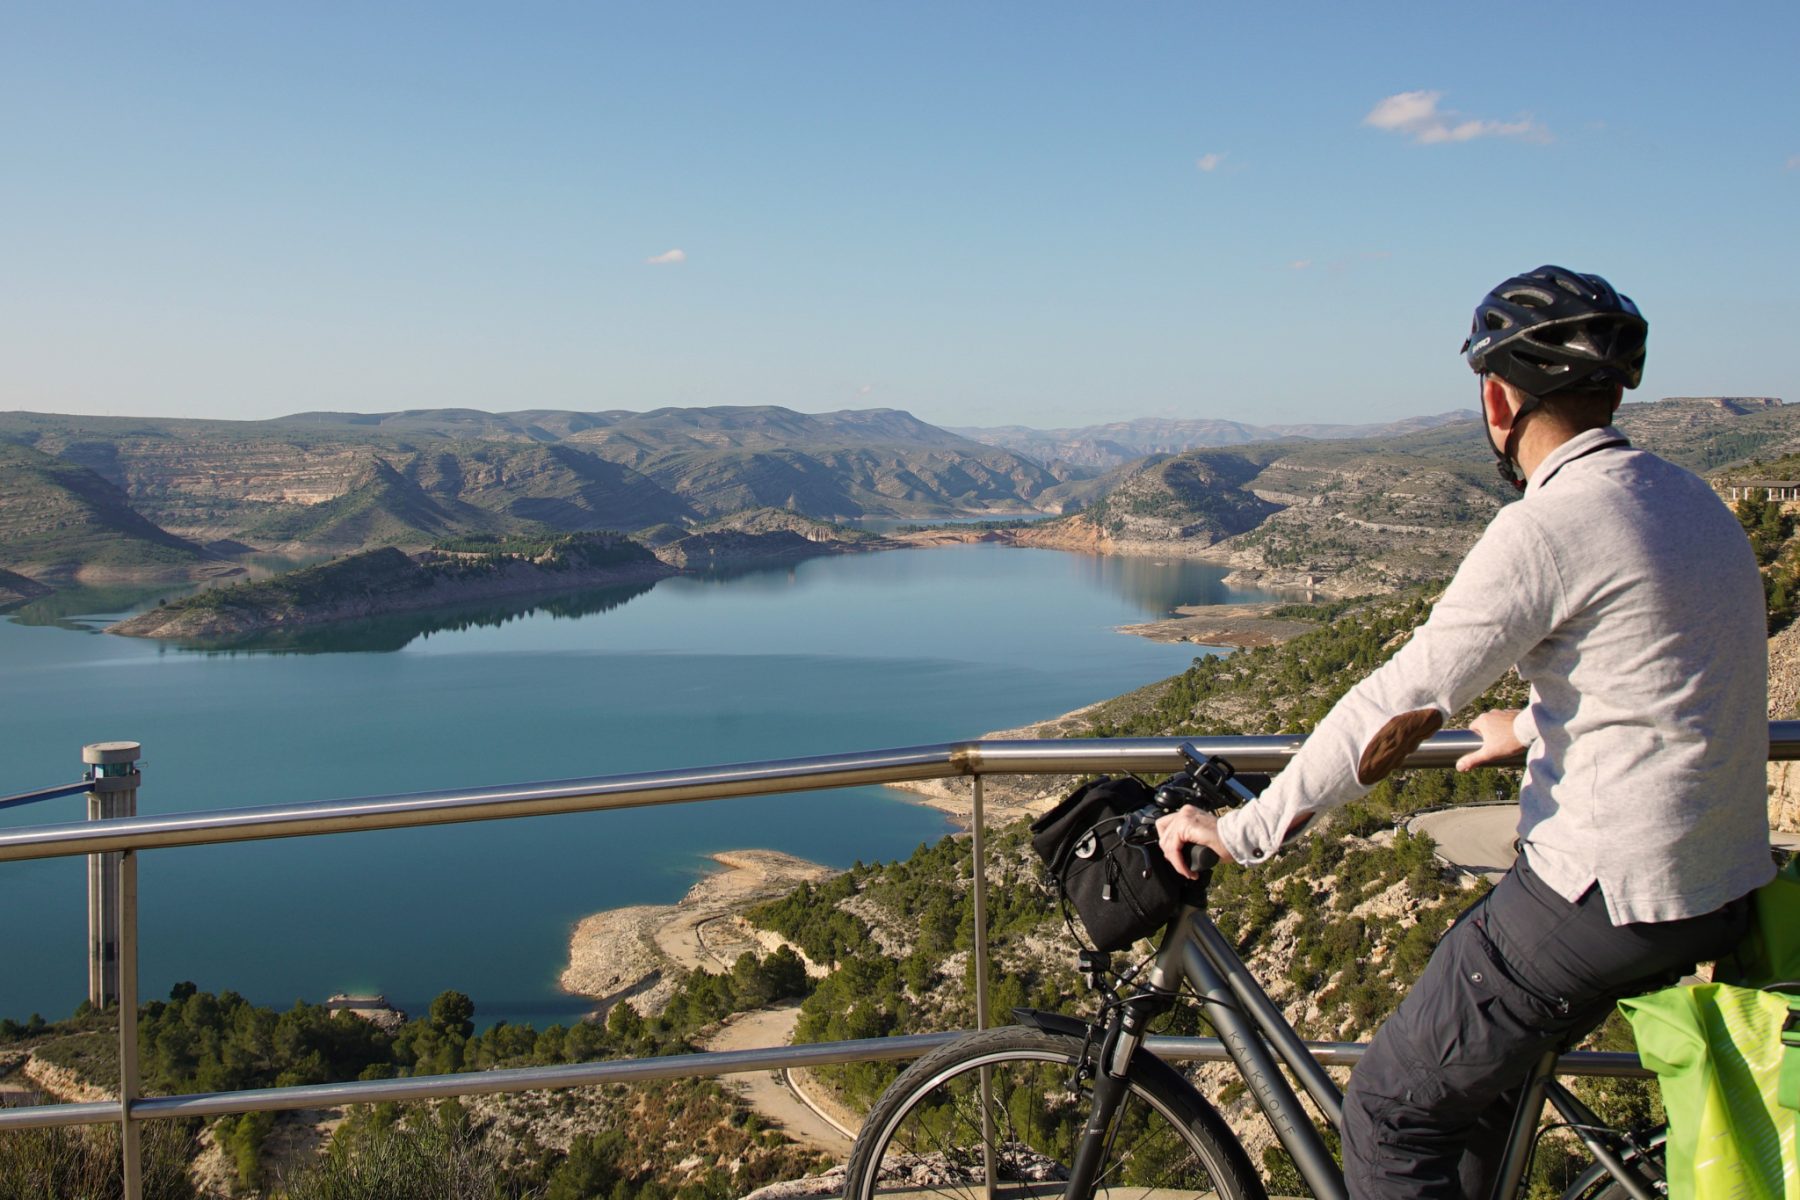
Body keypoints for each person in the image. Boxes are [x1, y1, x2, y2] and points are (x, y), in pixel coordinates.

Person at [1155, 265, 1776, 1198]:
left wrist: (1247, 830)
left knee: (1386, 1115)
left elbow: (1398, 703)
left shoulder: (1550, 524)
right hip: (1723, 878)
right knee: (1475, 1094)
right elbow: (1665, 665)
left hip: (1606, 890)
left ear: (1497, 395)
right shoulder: (1690, 499)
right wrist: (1535, 720)